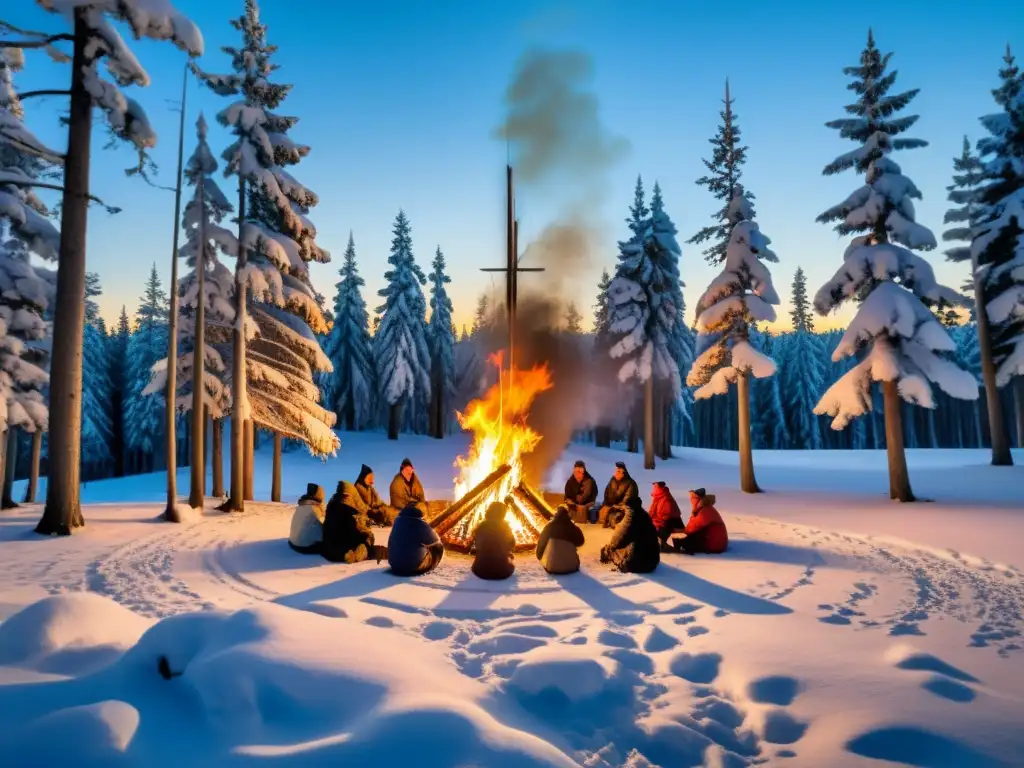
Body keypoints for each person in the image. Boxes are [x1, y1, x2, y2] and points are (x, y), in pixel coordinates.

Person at [321, 481, 387, 564]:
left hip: (328, 551)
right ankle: (359, 554)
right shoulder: (348, 509)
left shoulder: (330, 507)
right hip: (345, 550)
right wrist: (366, 535)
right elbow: (354, 531)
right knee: (368, 540)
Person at [600, 495, 660, 574]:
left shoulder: (629, 518)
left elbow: (616, 542)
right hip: (653, 562)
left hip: (635, 565)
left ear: (627, 507)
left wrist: (608, 549)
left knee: (606, 551)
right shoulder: (644, 515)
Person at [388, 503, 445, 576]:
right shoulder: (420, 524)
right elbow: (436, 540)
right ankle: (432, 565)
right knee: (438, 547)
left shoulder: (397, 521)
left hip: (394, 565)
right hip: (411, 568)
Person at [673, 488, 729, 555]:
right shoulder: (706, 508)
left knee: (688, 541)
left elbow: (695, 526)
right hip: (717, 542)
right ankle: (681, 542)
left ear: (696, 500)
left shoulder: (705, 510)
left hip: (715, 545)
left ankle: (680, 544)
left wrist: (684, 532)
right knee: (692, 536)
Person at [470, 501, 516, 580]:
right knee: (511, 558)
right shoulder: (505, 527)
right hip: (503, 572)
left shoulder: (480, 527)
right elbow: (512, 544)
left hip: (479, 571)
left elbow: (476, 543)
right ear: (503, 514)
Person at [536, 504, 585, 575]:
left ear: (556, 514)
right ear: (568, 515)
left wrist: (541, 557)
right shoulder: (572, 527)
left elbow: (541, 546)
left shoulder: (549, 527)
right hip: (571, 567)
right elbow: (581, 542)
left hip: (552, 567)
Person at [597, 461, 639, 528]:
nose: (616, 473)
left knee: (616, 520)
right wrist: (606, 505)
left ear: (623, 474)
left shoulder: (630, 484)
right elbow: (606, 493)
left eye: (619, 471)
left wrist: (615, 507)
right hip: (612, 507)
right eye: (616, 471)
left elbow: (627, 501)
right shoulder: (613, 480)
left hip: (622, 509)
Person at [288, 483, 326, 554]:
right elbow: (325, 524)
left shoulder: (301, 506)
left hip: (293, 542)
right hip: (305, 546)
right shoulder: (314, 508)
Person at [649, 481, 686, 551]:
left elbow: (664, 517)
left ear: (657, 489)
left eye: (655, 488)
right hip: (665, 525)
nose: (653, 490)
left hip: (664, 526)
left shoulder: (665, 499)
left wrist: (651, 522)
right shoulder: (660, 499)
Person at [563, 460, 597, 525]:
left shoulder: (588, 481)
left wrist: (574, 501)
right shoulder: (570, 481)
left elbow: (583, 498)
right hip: (574, 504)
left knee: (581, 510)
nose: (577, 474)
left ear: (583, 472)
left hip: (587, 504)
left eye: (579, 472)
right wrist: (569, 501)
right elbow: (567, 495)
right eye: (576, 472)